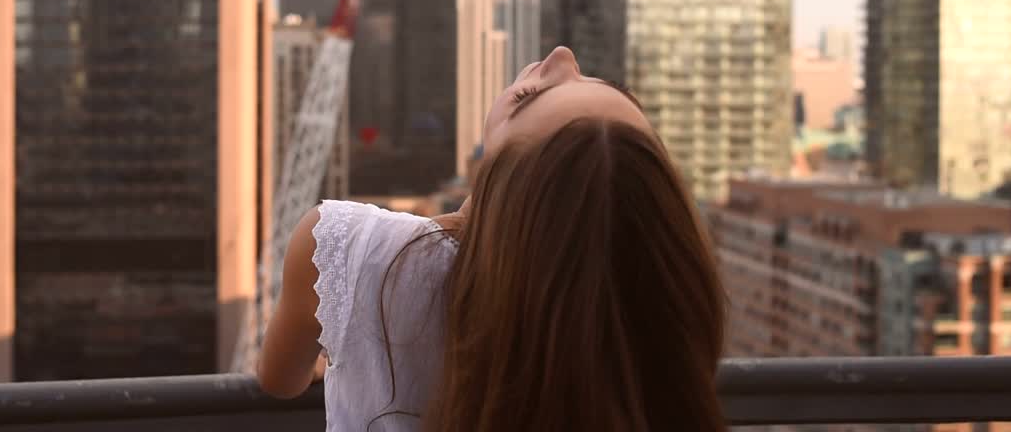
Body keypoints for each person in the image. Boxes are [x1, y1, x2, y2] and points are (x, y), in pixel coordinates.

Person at [258, 46, 726, 431]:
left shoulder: (346, 249)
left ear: (504, 184)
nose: (562, 56)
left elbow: (279, 380)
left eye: (528, 98)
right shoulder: (642, 335)